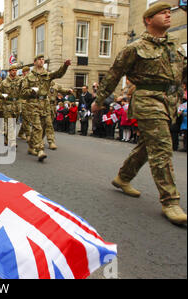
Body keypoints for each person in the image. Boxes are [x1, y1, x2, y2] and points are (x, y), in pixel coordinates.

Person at [92, 2, 187, 225]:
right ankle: (170, 201)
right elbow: (114, 75)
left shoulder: (175, 46)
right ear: (148, 19)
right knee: (162, 147)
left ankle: (123, 177)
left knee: (148, 146)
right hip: (147, 101)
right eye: (161, 13)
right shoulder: (134, 48)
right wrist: (99, 101)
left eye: (168, 12)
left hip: (170, 101)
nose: (167, 15)